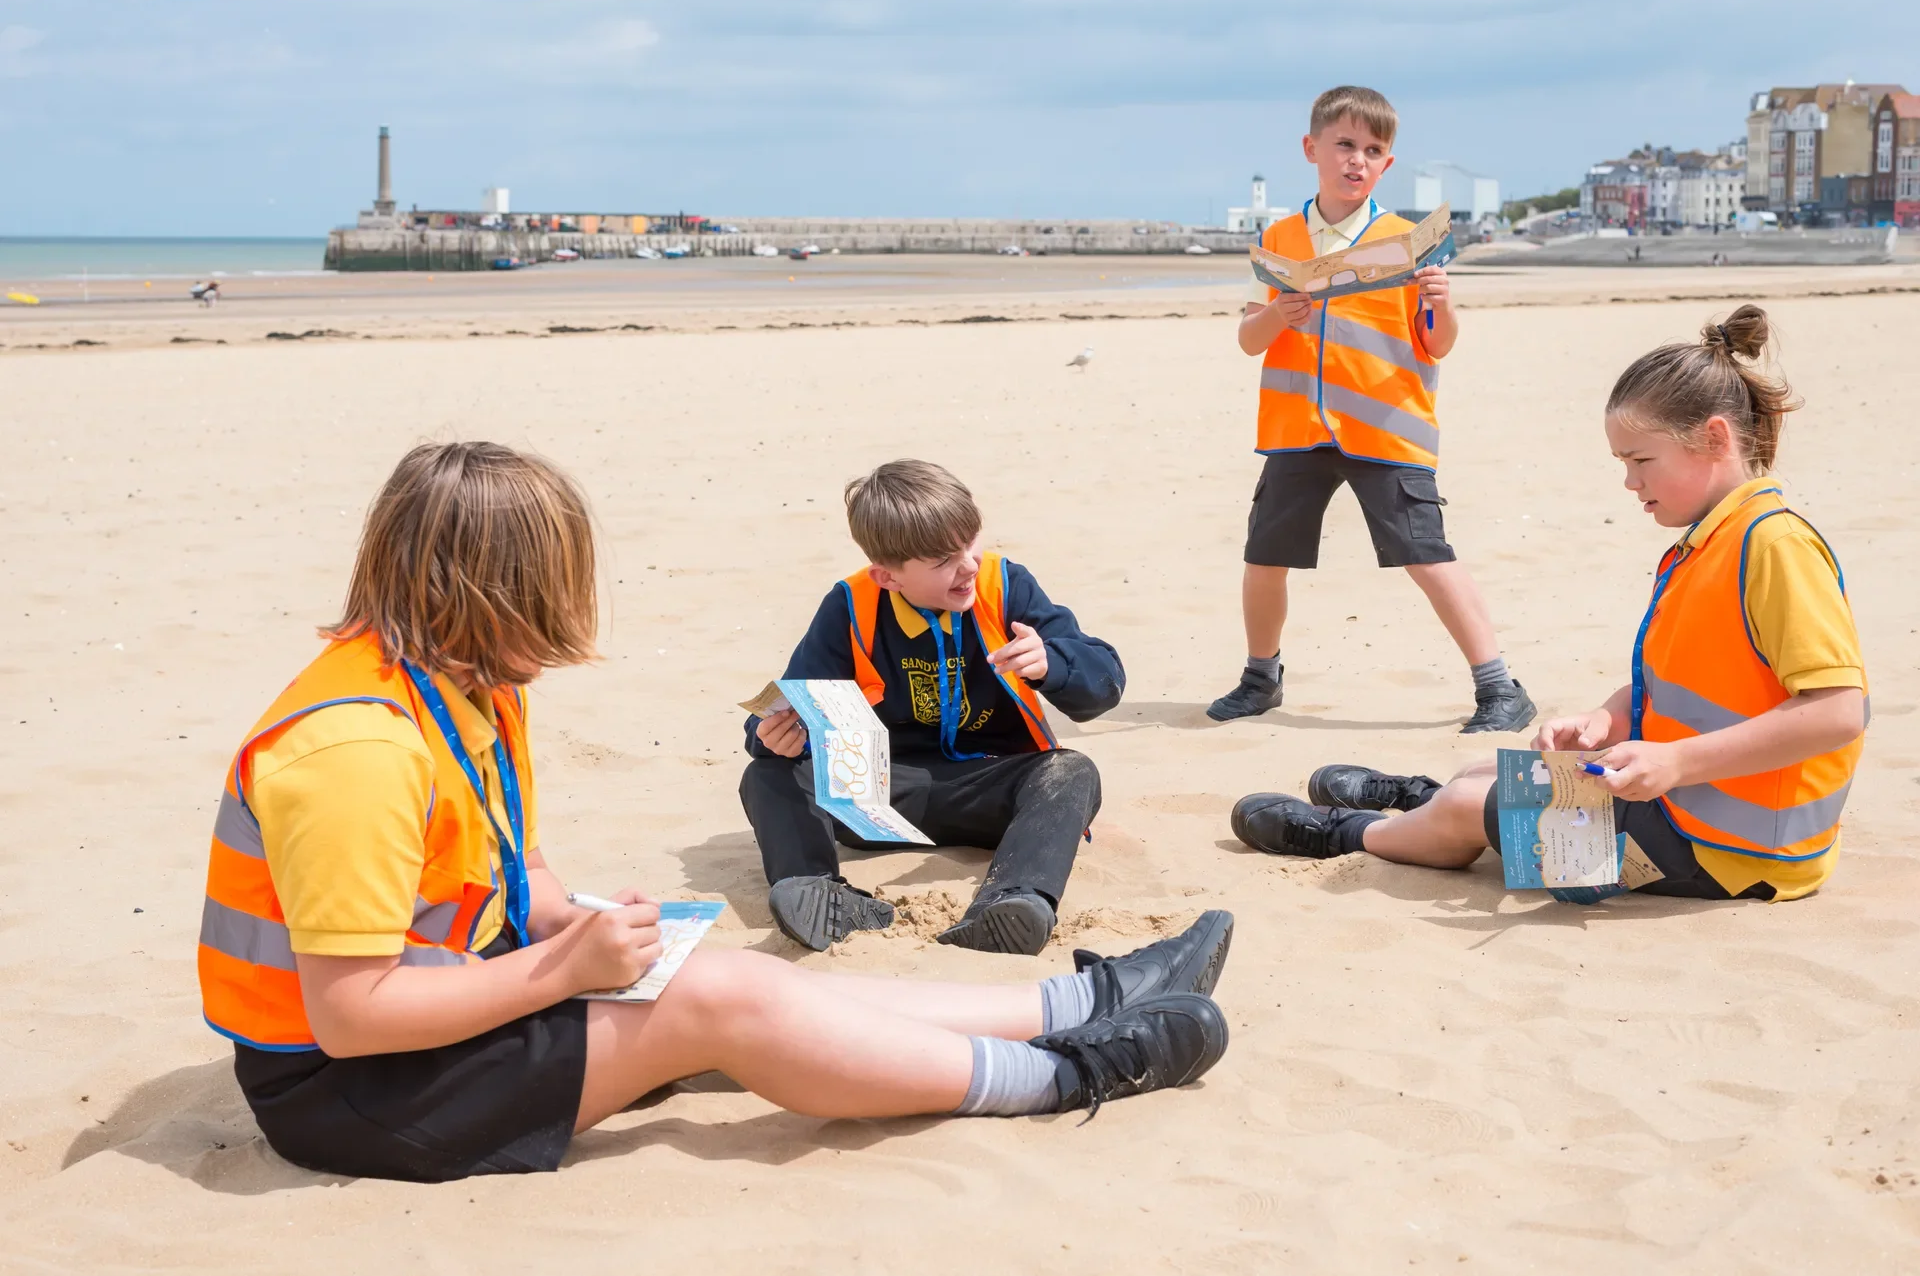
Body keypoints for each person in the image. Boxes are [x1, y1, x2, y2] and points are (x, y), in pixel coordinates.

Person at [197, 441, 1233, 1183]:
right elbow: (350, 1015)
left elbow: (517, 863)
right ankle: (1064, 1073)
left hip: (450, 1016)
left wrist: (573, 922)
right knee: (717, 1004)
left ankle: (1073, 1008)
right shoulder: (357, 749)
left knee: (713, 973)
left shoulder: (463, 682)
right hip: (360, 1096)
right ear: (500, 592)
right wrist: (565, 965)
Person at [1229, 306, 1868, 904]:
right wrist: (1609, 716)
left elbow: (1839, 711)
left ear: (1715, 438)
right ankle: (1432, 800)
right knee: (1487, 773)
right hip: (1689, 804)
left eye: (1642, 460)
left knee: (1464, 811)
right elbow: (1691, 680)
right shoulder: (1714, 540)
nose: (1630, 482)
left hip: (1736, 856)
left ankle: (1353, 832)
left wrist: (1674, 760)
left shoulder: (1775, 545)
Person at [1210, 85, 1534, 734]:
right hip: (1298, 428)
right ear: (1312, 149)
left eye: (1374, 150)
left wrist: (1441, 301)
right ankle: (1260, 675)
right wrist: (1278, 312)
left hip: (1386, 428)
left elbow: (1437, 343)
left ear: (1387, 164)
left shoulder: (1408, 242)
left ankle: (1500, 686)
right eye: (1345, 145)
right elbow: (1249, 339)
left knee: (1426, 551)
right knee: (1264, 556)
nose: (1358, 159)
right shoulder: (1279, 238)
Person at [742, 459, 1123, 955]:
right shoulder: (850, 606)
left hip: (992, 790)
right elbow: (793, 702)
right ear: (888, 576)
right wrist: (766, 734)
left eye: (971, 542)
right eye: (943, 560)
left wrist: (1054, 663)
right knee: (766, 776)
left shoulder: (1005, 587)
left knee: (1071, 771)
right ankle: (816, 890)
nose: (968, 566)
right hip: (880, 794)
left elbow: (1105, 681)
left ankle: (1013, 900)